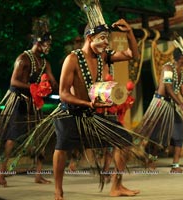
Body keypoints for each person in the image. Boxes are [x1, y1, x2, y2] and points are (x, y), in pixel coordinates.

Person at [53, 1, 140, 197]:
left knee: (124, 140)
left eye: (107, 39)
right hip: (70, 113)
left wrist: (129, 33)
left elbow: (131, 54)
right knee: (61, 148)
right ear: (89, 37)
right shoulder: (72, 59)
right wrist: (87, 103)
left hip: (92, 113)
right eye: (102, 38)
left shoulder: (104, 56)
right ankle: (58, 189)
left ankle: (116, 186)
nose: (106, 43)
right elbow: (64, 93)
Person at [0, 17, 58, 186]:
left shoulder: (44, 62)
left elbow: (53, 82)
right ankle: (1, 172)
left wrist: (50, 86)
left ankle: (38, 175)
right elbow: (13, 82)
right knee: (11, 138)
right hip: (18, 101)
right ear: (38, 42)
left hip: (35, 101)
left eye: (50, 44)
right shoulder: (23, 58)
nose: (49, 47)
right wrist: (32, 87)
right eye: (47, 43)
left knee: (40, 137)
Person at [134, 35, 183, 173]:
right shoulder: (167, 69)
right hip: (160, 104)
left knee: (179, 133)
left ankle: (175, 166)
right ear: (181, 57)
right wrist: (181, 105)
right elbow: (169, 89)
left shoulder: (181, 73)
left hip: (171, 105)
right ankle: (151, 161)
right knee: (157, 136)